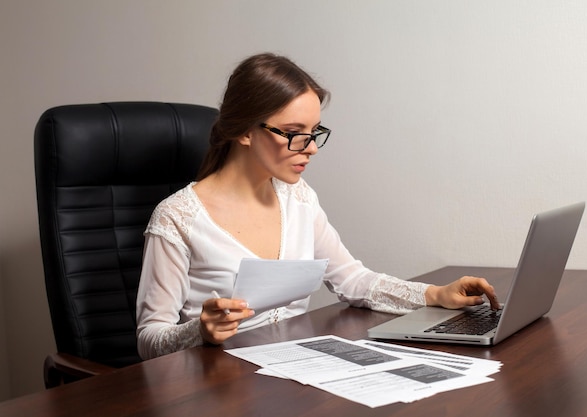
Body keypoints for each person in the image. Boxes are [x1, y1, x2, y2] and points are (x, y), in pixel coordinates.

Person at [136, 52, 499, 360]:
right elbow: (150, 339)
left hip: (296, 367)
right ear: (245, 131)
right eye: (294, 133)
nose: (310, 147)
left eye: (314, 132)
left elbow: (353, 281)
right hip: (221, 385)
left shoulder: (299, 198)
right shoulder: (178, 217)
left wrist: (435, 295)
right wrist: (201, 331)